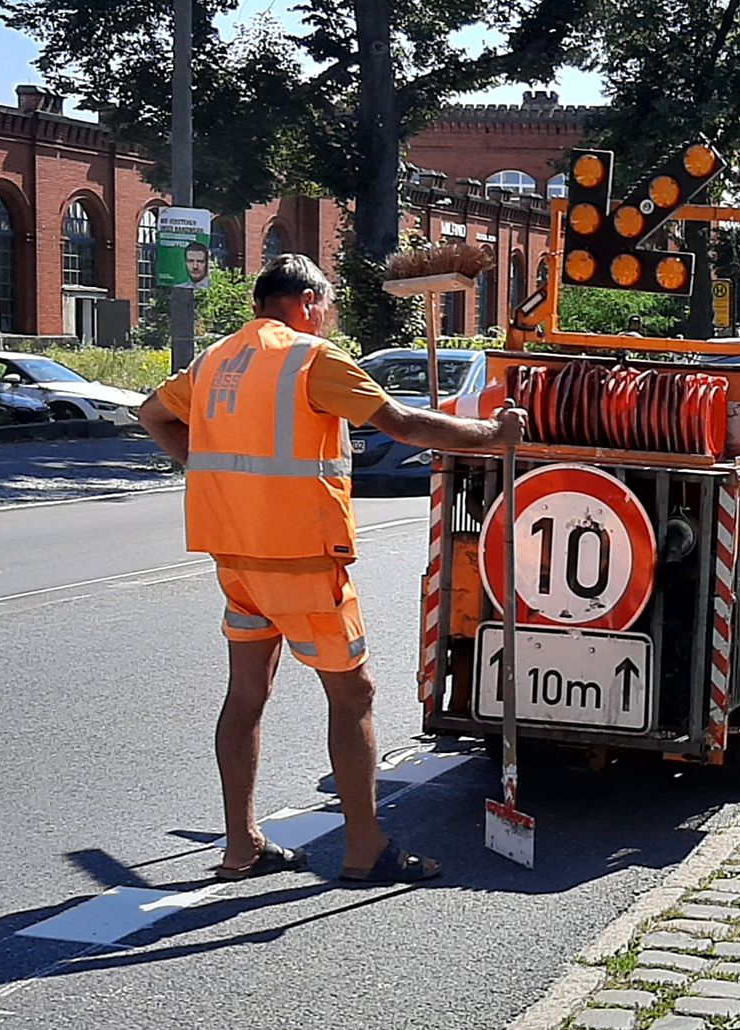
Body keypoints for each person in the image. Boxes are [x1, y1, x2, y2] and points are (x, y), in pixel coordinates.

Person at [138, 254, 524, 884]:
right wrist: (492, 432)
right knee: (354, 694)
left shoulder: (214, 360)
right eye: (331, 307)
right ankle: (364, 847)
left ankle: (241, 847)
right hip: (302, 558)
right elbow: (400, 423)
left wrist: (205, 473)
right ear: (310, 303)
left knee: (246, 695)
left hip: (234, 555)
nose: (331, 318)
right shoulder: (311, 359)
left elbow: (150, 414)